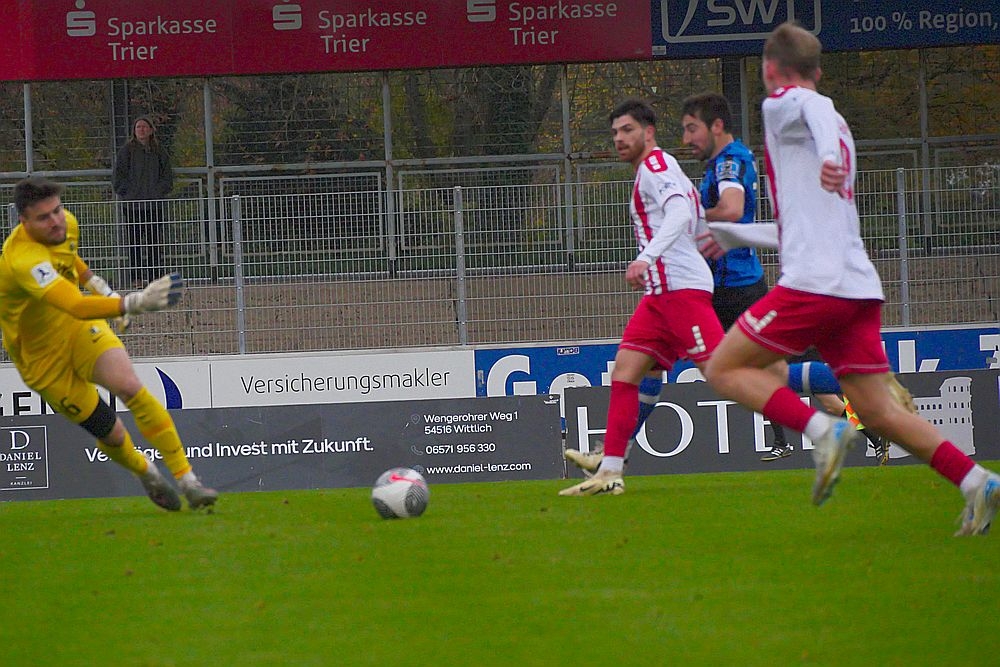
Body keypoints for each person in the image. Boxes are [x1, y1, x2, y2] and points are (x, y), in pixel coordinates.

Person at [700, 22, 998, 535]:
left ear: (770, 70)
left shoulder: (788, 106)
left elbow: (810, 105)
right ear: (817, 69)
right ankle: (977, 482)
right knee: (879, 412)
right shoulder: (835, 126)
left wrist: (828, 158)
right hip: (857, 286)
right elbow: (802, 227)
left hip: (814, 285)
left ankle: (823, 430)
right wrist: (734, 235)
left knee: (723, 368)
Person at [0, 177, 217, 512]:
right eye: (44, 217)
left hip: (77, 331)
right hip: (42, 362)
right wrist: (131, 303)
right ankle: (146, 473)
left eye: (57, 210)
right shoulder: (23, 261)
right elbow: (74, 303)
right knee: (112, 434)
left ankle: (189, 481)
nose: (56, 220)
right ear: (23, 221)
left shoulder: (65, 224)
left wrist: (102, 288)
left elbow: (70, 260)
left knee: (129, 387)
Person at [559, 99, 723, 496]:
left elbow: (681, 214)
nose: (619, 138)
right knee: (628, 372)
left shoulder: (656, 167)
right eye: (615, 132)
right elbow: (695, 218)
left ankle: (838, 401)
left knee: (731, 375)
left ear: (649, 132)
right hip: (662, 293)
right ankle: (610, 471)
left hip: (681, 290)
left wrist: (646, 258)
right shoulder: (660, 168)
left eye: (627, 130)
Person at [113, 115, 174, 285]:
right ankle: (136, 277)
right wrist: (128, 193)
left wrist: (159, 191)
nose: (142, 130)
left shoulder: (159, 151)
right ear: (134, 131)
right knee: (134, 242)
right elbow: (118, 176)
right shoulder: (127, 151)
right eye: (138, 127)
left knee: (154, 241)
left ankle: (155, 277)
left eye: (145, 127)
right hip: (133, 205)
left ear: (151, 130)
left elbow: (167, 176)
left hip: (154, 204)